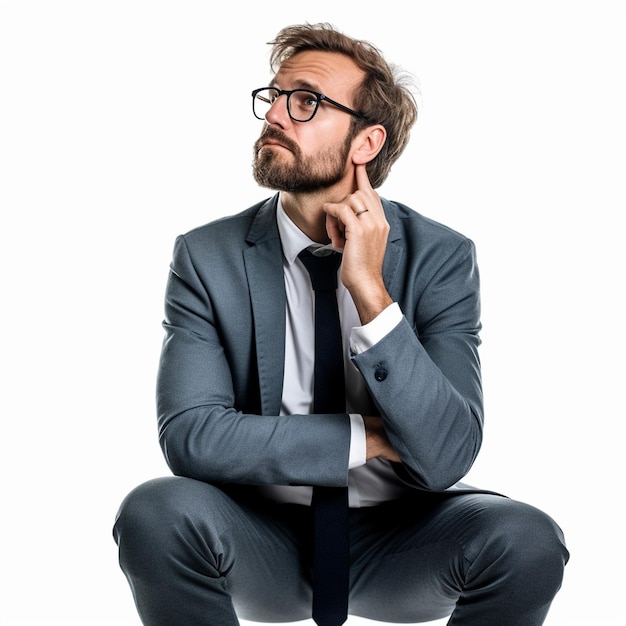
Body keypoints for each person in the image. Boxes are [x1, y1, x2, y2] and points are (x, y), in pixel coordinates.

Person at [113, 22, 569, 625]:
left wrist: (372, 294)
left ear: (366, 141)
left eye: (305, 101)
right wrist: (371, 437)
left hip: (402, 539)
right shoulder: (206, 256)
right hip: (259, 535)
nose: (274, 113)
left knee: (527, 538)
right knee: (154, 511)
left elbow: (448, 453)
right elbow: (192, 435)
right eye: (273, 96)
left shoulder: (441, 257)